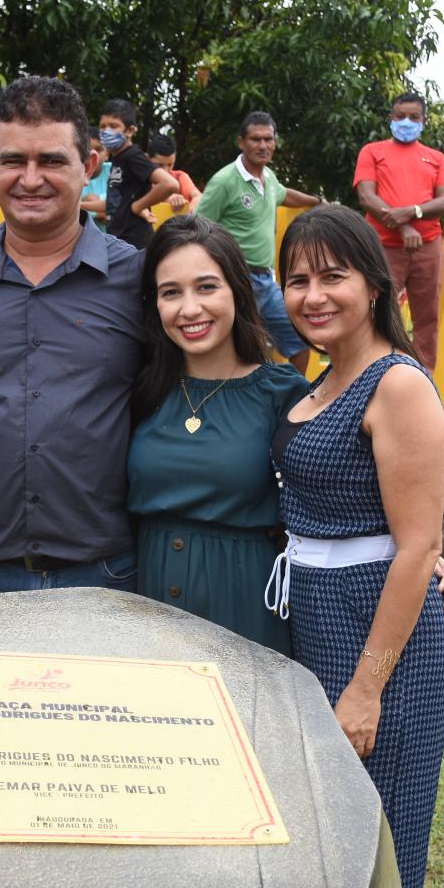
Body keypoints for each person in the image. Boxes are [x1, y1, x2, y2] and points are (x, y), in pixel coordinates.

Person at [267, 204, 444, 888]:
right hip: (313, 620)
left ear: (374, 287)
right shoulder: (319, 383)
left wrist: (367, 685)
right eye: (297, 279)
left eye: (332, 276)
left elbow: (417, 547)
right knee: (326, 843)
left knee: (383, 848)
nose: (313, 295)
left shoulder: (397, 384)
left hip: (380, 648)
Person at [0, 77, 144, 596]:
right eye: (13, 161)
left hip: (103, 574)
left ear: (88, 165)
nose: (30, 179)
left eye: (50, 160)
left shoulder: (140, 281)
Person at [128, 215, 308, 653]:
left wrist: (427, 555)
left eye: (206, 287)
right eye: (172, 292)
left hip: (245, 605)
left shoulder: (283, 394)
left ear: (237, 291)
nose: (190, 309)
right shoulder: (141, 390)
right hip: (146, 608)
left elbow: (339, 487)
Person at [194, 111, 320, 373]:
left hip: (266, 281)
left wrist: (317, 202)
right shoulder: (225, 181)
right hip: (236, 278)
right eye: (255, 139)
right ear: (241, 143)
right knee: (241, 349)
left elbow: (285, 195)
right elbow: (196, 226)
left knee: (298, 340)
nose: (263, 146)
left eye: (268, 139)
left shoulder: (269, 178)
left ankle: (296, 399)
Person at [353, 93, 444, 369]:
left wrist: (412, 213)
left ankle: (424, 378)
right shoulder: (372, 151)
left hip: (428, 245)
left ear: (424, 120)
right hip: (382, 246)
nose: (406, 122)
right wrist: (405, 227)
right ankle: (371, 374)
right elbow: (367, 197)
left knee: (428, 316)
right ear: (390, 118)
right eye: (400, 117)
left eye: (413, 117)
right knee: (376, 312)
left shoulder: (435, 158)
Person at [97, 98, 178, 249]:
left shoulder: (133, 156)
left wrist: (137, 206)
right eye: (103, 126)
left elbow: (169, 184)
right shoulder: (118, 158)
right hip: (118, 238)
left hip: (134, 242)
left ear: (130, 131)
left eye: (114, 126)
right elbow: (116, 202)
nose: (107, 131)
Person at [146, 132, 201, 212]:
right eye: (159, 165)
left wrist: (188, 214)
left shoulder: (180, 176)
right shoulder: (138, 179)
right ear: (147, 159)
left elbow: (198, 197)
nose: (165, 171)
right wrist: (166, 199)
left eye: (170, 164)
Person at [79, 134, 110, 228]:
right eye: (87, 149)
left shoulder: (114, 170)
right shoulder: (72, 174)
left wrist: (85, 203)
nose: (93, 154)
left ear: (107, 154)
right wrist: (99, 213)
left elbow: (123, 199)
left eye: (99, 149)